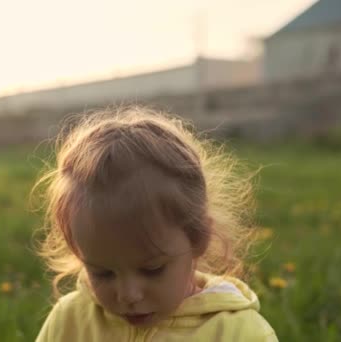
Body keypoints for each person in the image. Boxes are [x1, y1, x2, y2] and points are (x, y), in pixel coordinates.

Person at [32, 106, 277, 341]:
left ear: (198, 239)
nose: (129, 295)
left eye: (152, 270)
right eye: (103, 273)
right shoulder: (70, 321)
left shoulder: (239, 333)